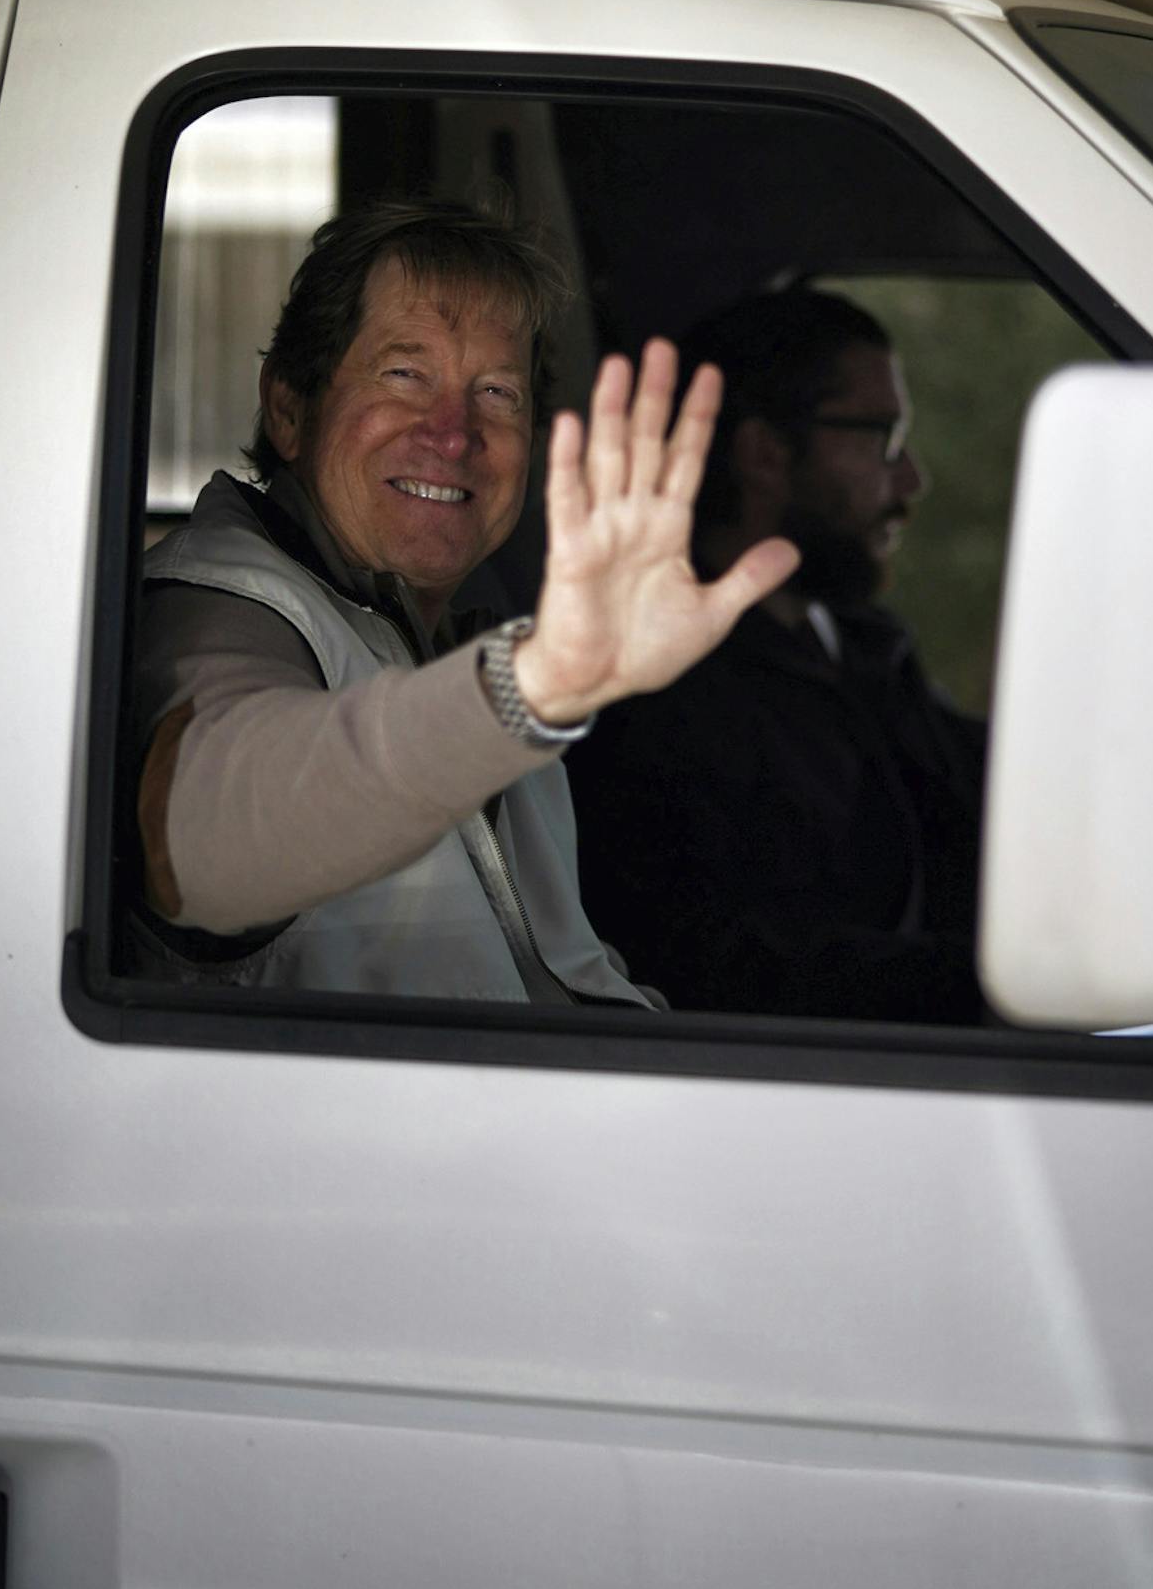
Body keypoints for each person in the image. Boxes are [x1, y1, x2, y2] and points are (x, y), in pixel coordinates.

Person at [129, 196, 797, 1001]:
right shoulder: (217, 606)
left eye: (496, 394)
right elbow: (205, 841)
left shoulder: (462, 632)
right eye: (405, 374)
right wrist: (529, 690)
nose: (453, 433)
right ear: (289, 407)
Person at [565, 288, 988, 1023]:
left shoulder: (862, 646)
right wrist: (986, 986)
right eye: (880, 438)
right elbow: (727, 970)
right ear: (765, 452)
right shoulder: (661, 696)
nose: (910, 479)